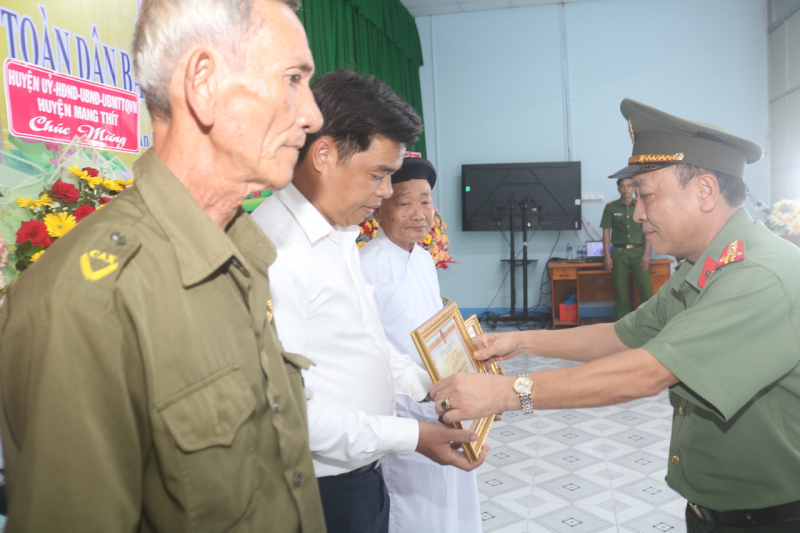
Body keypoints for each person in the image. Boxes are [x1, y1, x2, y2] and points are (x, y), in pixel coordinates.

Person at [0, 1, 327, 531]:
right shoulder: (88, 304)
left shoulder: (242, 254)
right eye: (293, 79)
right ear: (203, 82)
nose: (313, 115)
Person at [430, 98, 800, 532]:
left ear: (704, 191)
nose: (638, 212)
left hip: (771, 518)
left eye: (647, 196)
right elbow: (624, 336)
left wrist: (507, 393)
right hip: (713, 511)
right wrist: (518, 341)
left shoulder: (758, 275)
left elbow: (645, 372)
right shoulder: (702, 266)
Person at [250, 70, 485, 533]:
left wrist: (429, 385)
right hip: (320, 489)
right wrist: (414, 435)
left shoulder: (336, 234)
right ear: (324, 154)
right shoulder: (279, 254)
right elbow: (295, 415)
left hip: (362, 472)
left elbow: (368, 344)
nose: (384, 194)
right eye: (379, 175)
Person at [359, 157, 482, 533]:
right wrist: (426, 395)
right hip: (405, 412)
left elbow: (435, 331)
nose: (419, 213)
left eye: (426, 202)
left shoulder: (424, 259)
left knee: (453, 501)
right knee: (414, 512)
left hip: (444, 404)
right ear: (379, 207)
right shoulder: (368, 264)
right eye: (405, 202)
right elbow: (372, 348)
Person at [600, 176, 653, 319]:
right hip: (619, 253)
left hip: (639, 252)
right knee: (621, 290)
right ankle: (623, 324)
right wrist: (607, 255)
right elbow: (606, 232)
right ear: (618, 189)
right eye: (623, 186)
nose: (626, 189)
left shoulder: (641, 206)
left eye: (629, 186)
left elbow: (648, 229)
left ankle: (648, 322)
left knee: (646, 289)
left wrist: (647, 253)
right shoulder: (611, 207)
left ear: (634, 188)